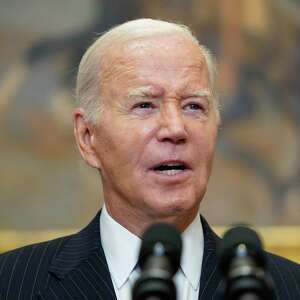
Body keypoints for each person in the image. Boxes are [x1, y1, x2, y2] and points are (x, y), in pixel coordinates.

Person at [0, 18, 299, 300]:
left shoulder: (288, 288)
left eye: (194, 106)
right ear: (88, 137)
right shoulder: (12, 283)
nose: (175, 128)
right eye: (144, 105)